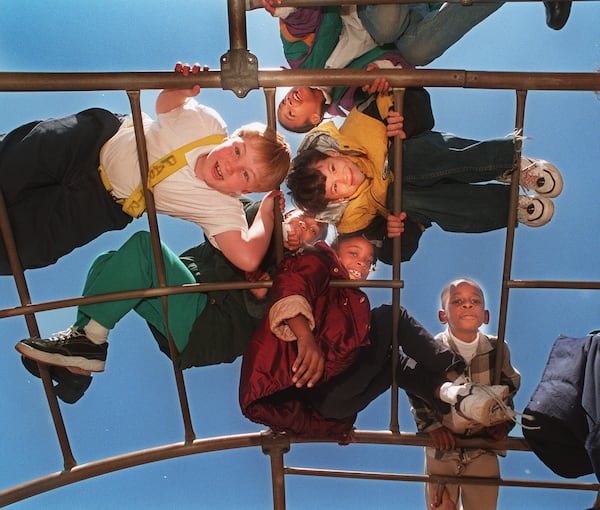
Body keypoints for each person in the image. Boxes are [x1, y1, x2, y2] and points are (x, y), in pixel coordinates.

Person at [15, 200, 328, 400]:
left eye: (313, 233)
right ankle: (76, 367)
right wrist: (266, 213)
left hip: (210, 324)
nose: (305, 229)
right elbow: (224, 221)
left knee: (144, 248)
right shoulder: (252, 216)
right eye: (305, 219)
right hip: (189, 307)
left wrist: (260, 297)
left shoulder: (291, 265)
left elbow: (284, 301)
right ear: (289, 210)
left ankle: (90, 341)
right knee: (107, 261)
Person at [0, 63, 291, 274]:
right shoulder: (208, 124)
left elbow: (248, 259)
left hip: (102, 203)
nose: (230, 165)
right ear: (231, 137)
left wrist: (265, 213)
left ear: (245, 190)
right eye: (237, 151)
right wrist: (181, 88)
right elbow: (165, 106)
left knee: (29, 244)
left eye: (244, 174)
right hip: (96, 140)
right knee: (21, 157)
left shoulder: (221, 208)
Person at [239, 232, 488, 440]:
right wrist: (306, 338)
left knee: (393, 361)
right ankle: (459, 379)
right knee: (391, 315)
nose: (362, 264)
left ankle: (451, 393)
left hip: (334, 404)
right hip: (328, 385)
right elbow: (293, 285)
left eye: (369, 261)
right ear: (334, 250)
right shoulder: (318, 261)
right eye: (354, 253)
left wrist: (337, 430)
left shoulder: (350, 301)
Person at [286, 92, 563, 262]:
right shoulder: (355, 219)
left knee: (404, 156)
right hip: (423, 202)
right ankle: (510, 207)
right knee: (399, 198)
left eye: (333, 169)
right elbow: (392, 253)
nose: (343, 178)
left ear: (334, 153)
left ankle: (510, 164)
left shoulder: (360, 125)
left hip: (422, 155)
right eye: (336, 188)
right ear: (339, 199)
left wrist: (404, 118)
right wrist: (397, 235)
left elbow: (410, 92)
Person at [408, 278, 521, 510]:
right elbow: (416, 389)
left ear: (485, 316)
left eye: (474, 301)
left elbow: (509, 387)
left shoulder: (497, 348)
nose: (467, 305)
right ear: (443, 315)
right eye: (457, 301)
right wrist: (432, 427)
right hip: (443, 445)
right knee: (441, 505)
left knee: (483, 505)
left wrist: (503, 424)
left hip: (483, 445)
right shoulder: (432, 347)